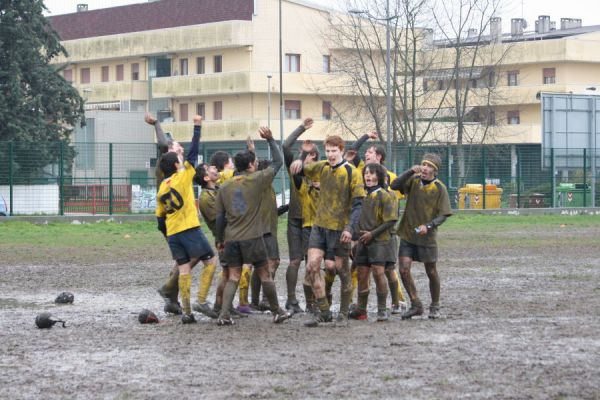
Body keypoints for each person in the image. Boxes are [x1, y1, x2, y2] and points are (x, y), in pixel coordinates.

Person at [214, 127, 292, 326]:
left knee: (233, 276)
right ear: (250, 165)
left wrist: (219, 239)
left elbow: (220, 217)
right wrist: (271, 139)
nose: (257, 164)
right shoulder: (257, 180)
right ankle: (277, 312)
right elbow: (278, 162)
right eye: (255, 162)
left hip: (231, 239)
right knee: (265, 274)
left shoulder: (224, 186)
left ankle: (223, 315)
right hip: (253, 238)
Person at [290, 135, 365, 327]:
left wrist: (350, 228)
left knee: (341, 270)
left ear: (341, 150)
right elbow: (298, 171)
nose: (331, 154)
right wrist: (302, 154)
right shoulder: (322, 166)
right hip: (319, 227)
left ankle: (342, 313)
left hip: (340, 229)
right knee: (312, 266)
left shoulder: (352, 172)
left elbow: (358, 205)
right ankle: (324, 311)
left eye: (334, 151)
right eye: (328, 151)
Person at [155, 115, 217, 324]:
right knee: (210, 261)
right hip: (189, 228)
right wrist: (197, 127)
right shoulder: (183, 177)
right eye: (179, 160)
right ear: (175, 166)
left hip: (173, 233)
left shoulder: (162, 187)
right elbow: (194, 151)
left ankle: (188, 313)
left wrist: (169, 236)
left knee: (183, 269)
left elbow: (159, 219)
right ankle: (200, 300)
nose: (182, 160)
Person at [390, 153, 452, 319]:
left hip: (427, 238)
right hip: (408, 234)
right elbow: (394, 185)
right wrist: (410, 171)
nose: (425, 168)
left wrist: (429, 226)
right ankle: (416, 303)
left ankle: (435, 305)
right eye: (423, 164)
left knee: (431, 271)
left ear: (435, 170)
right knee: (403, 269)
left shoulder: (440, 188)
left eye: (429, 166)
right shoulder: (413, 180)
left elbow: (444, 214)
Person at [145, 112, 185, 315]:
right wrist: (157, 124)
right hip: (170, 218)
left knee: (181, 259)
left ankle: (172, 298)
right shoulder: (165, 167)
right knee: (185, 258)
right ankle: (169, 292)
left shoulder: (181, 169)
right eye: (177, 146)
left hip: (176, 219)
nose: (181, 148)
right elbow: (162, 144)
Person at [349, 163, 398, 322]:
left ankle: (382, 309)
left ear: (379, 176)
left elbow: (391, 221)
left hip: (380, 241)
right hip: (363, 242)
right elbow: (357, 219)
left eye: (371, 173)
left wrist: (372, 234)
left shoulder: (385, 195)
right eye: (366, 173)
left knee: (378, 272)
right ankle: (361, 310)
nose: (368, 176)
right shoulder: (362, 196)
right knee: (362, 274)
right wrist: (355, 239)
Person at [281, 117, 314, 314]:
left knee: (313, 262)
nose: (310, 159)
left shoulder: (322, 174)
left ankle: (312, 300)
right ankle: (291, 300)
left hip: (315, 223)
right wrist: (302, 128)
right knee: (295, 261)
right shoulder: (295, 171)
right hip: (295, 220)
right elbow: (285, 146)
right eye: (307, 156)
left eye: (313, 156)